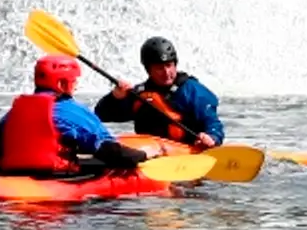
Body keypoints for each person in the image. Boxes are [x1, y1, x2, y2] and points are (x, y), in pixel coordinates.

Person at [0, 55, 151, 173]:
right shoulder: (71, 111)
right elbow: (109, 150)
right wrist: (143, 155)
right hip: (56, 179)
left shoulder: (14, 111)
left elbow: (1, 139)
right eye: (74, 80)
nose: (76, 85)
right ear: (62, 84)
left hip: (13, 173)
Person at [95, 36, 225, 149]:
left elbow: (212, 122)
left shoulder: (192, 90)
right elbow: (101, 115)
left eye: (169, 65)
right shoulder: (141, 94)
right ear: (148, 70)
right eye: (159, 68)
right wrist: (115, 97)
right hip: (152, 151)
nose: (166, 72)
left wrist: (212, 137)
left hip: (186, 150)